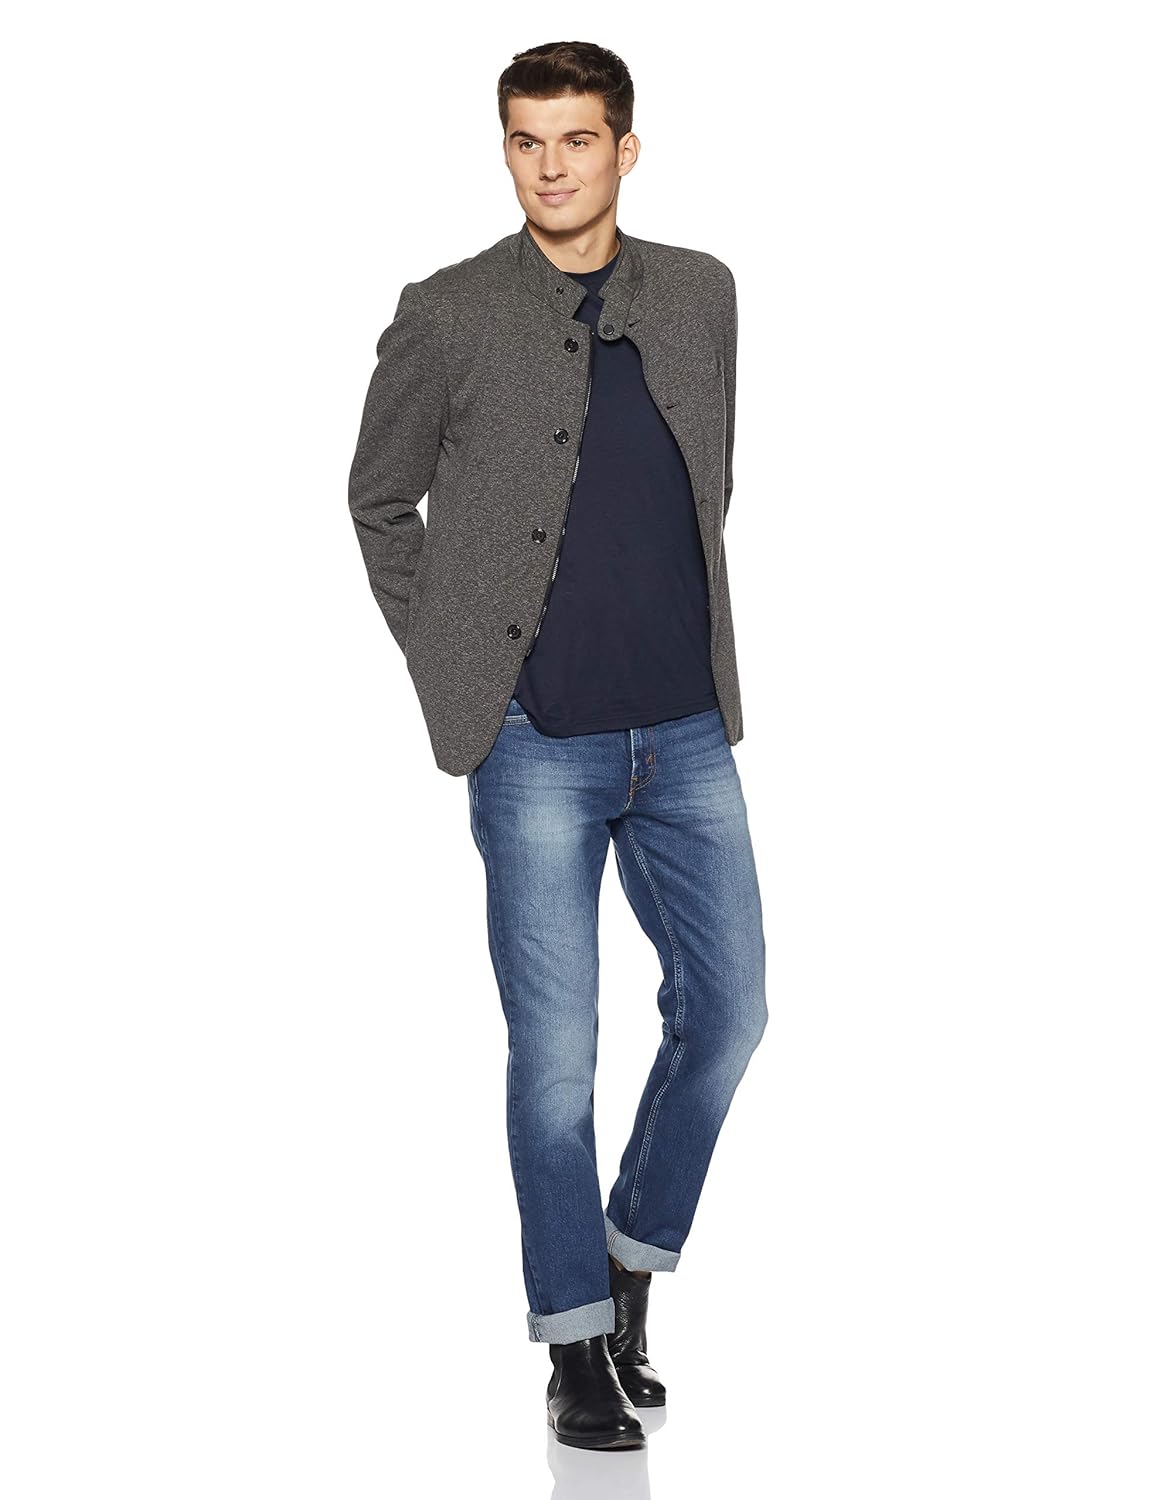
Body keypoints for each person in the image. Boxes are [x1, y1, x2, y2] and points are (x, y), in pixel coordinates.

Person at [348, 40, 767, 1452]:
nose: (549, 166)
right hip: (534, 740)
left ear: (624, 150)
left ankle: (628, 1263)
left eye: (577, 139)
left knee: (731, 1013)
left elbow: (710, 477)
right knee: (554, 1057)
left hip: (686, 726)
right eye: (526, 140)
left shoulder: (700, 293)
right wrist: (457, 659)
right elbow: (377, 501)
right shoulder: (449, 312)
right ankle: (574, 1344)